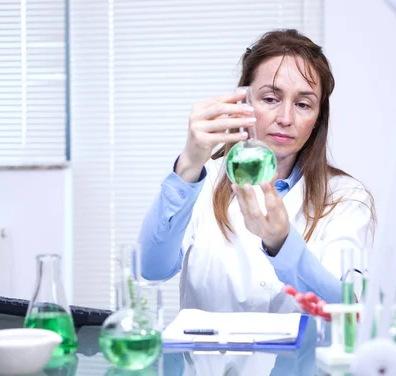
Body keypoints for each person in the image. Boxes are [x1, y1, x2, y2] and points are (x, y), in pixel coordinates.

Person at [138, 29, 375, 313]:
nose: (285, 118)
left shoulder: (346, 197)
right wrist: (189, 163)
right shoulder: (203, 180)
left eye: (303, 104)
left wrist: (281, 243)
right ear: (244, 104)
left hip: (303, 359)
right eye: (270, 99)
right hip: (208, 358)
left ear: (317, 119)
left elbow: (344, 308)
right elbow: (152, 268)